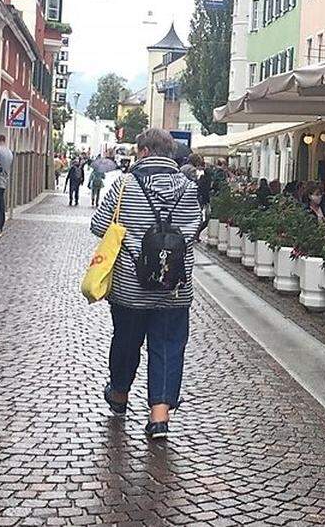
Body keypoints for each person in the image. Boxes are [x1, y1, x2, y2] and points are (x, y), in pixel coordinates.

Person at [90, 128, 203, 440]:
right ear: (170, 153)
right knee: (168, 345)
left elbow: (99, 225)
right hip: (175, 285)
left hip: (130, 284)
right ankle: (159, 416)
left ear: (142, 151)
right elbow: (194, 231)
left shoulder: (124, 185)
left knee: (126, 340)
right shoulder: (189, 187)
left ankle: (120, 394)